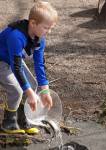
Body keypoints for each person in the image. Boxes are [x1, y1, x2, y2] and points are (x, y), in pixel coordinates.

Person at [0, 1, 58, 134]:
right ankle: (8, 123)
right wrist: (29, 93)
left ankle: (22, 118)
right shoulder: (16, 36)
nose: (48, 32)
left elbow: (39, 64)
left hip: (12, 61)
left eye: (51, 28)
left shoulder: (40, 38)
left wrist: (44, 91)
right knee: (17, 90)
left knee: (32, 84)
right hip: (1, 61)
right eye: (46, 28)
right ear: (33, 23)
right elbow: (16, 67)